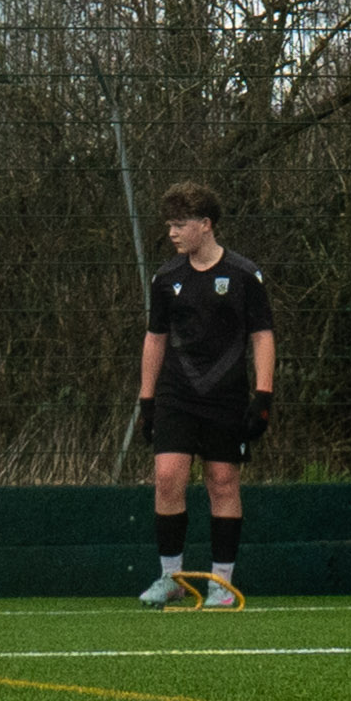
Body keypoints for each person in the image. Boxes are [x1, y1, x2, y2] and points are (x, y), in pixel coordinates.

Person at [136, 182, 275, 609]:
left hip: (226, 397)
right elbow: (155, 339)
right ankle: (171, 577)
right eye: (169, 226)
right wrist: (147, 400)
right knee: (167, 478)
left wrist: (263, 396)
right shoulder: (166, 278)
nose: (173, 233)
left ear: (206, 225)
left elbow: (262, 337)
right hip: (177, 395)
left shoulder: (243, 275)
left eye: (180, 225)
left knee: (222, 482)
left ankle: (221, 584)